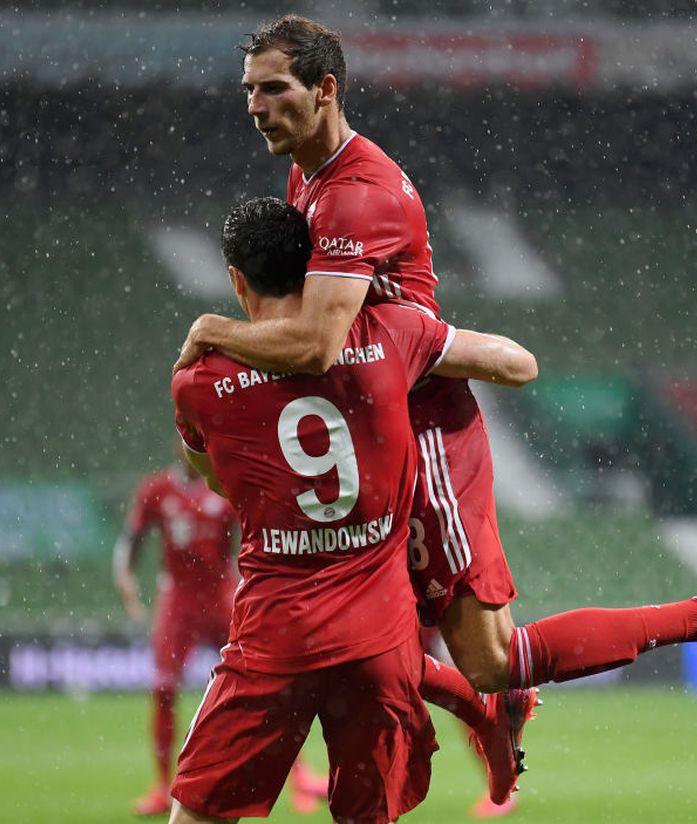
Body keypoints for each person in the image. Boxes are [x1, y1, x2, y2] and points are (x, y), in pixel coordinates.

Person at [174, 14, 697, 719]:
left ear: (325, 89)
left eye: (273, 89)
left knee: (491, 659)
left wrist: (214, 332)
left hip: (422, 432)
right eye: (249, 90)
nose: (255, 106)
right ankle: (493, 725)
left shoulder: (355, 194)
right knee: (359, 635)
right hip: (373, 429)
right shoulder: (309, 175)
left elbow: (319, 346)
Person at [167, 196, 539, 824]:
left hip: (276, 629)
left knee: (200, 815)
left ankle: (483, 711)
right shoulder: (384, 334)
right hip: (376, 617)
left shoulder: (199, 383)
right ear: (314, 269)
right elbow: (517, 363)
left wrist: (217, 335)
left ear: (236, 280)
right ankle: (487, 708)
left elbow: (223, 482)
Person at [113, 456, 328, 817]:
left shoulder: (224, 486)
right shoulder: (157, 490)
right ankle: (162, 787)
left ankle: (299, 776)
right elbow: (131, 539)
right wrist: (126, 580)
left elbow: (254, 533)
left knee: (267, 680)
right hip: (178, 600)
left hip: (221, 596)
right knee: (163, 688)